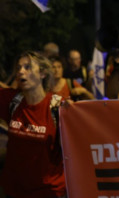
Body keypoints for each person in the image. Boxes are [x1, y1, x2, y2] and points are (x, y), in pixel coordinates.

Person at [0, 52, 66, 197]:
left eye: (27, 67)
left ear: (42, 74)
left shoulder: (58, 106)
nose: (20, 71)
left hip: (47, 192)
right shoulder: (12, 100)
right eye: (18, 68)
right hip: (13, 191)